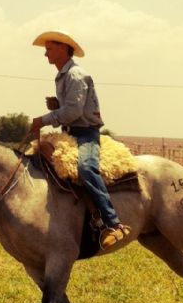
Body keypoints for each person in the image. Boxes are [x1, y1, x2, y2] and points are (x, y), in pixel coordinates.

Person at [30, 30, 131, 250]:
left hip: (85, 133)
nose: (45, 54)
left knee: (85, 169)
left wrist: (44, 119)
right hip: (71, 132)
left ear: (63, 49)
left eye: (49, 49)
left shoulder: (76, 75)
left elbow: (74, 112)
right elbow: (71, 108)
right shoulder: (63, 75)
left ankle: (113, 223)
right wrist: (57, 105)